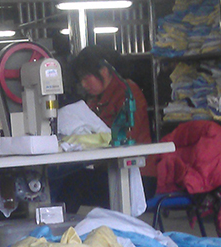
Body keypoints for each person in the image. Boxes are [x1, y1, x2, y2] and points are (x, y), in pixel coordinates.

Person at [54, 45, 157, 213]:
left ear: (104, 71)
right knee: (62, 179)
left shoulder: (128, 93)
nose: (84, 84)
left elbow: (127, 135)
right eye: (81, 80)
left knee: (76, 183)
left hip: (138, 177)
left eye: (87, 78)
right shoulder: (94, 100)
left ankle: (58, 226)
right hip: (112, 172)